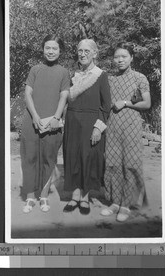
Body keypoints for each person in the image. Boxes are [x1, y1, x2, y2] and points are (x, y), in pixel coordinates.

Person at [101, 42, 151, 222]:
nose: (120, 60)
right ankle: (114, 202)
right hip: (112, 126)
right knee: (112, 164)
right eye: (116, 57)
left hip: (131, 126)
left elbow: (147, 103)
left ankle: (126, 205)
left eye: (124, 56)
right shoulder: (110, 79)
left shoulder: (140, 78)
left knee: (130, 164)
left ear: (131, 57)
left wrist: (126, 103)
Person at [20, 34, 70, 213]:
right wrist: (34, 116)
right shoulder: (35, 69)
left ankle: (43, 196)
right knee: (30, 158)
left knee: (49, 160)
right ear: (43, 49)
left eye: (54, 48)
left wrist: (57, 117)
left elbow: (64, 96)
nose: (50, 51)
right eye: (47, 48)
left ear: (60, 51)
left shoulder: (64, 72)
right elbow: (28, 94)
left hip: (53, 124)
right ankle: (31, 197)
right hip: (32, 122)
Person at [63, 39, 111, 215]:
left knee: (88, 159)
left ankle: (85, 198)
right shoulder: (73, 75)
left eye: (86, 51)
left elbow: (106, 105)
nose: (82, 54)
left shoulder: (101, 75)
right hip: (72, 123)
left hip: (91, 125)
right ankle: (75, 196)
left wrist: (98, 128)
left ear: (95, 54)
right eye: (80, 51)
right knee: (73, 158)